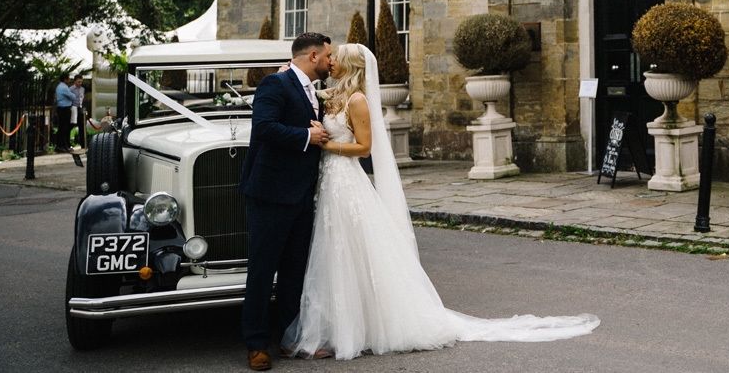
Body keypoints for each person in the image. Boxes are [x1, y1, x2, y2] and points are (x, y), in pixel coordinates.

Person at [282, 43, 599, 360]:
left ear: (351, 65)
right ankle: (338, 326)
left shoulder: (359, 100)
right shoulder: (334, 95)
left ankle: (360, 328)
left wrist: (328, 146)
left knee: (348, 252)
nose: (331, 60)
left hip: (346, 181)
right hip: (330, 182)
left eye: (336, 56)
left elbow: (365, 149)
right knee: (332, 252)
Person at [237, 32, 333, 371]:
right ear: (312, 55)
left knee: (296, 271)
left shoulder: (313, 91)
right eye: (327, 56)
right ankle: (256, 344)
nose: (330, 61)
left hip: (302, 194)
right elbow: (263, 128)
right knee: (262, 272)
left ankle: (293, 339)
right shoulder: (274, 85)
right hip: (270, 193)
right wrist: (309, 135)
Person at [53, 75, 81, 166]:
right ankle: (62, 145)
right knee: (64, 127)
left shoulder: (59, 87)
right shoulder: (64, 88)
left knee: (62, 127)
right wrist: (73, 95)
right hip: (64, 108)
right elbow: (72, 96)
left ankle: (61, 145)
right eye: (68, 79)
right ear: (65, 79)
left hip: (62, 108)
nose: (69, 80)